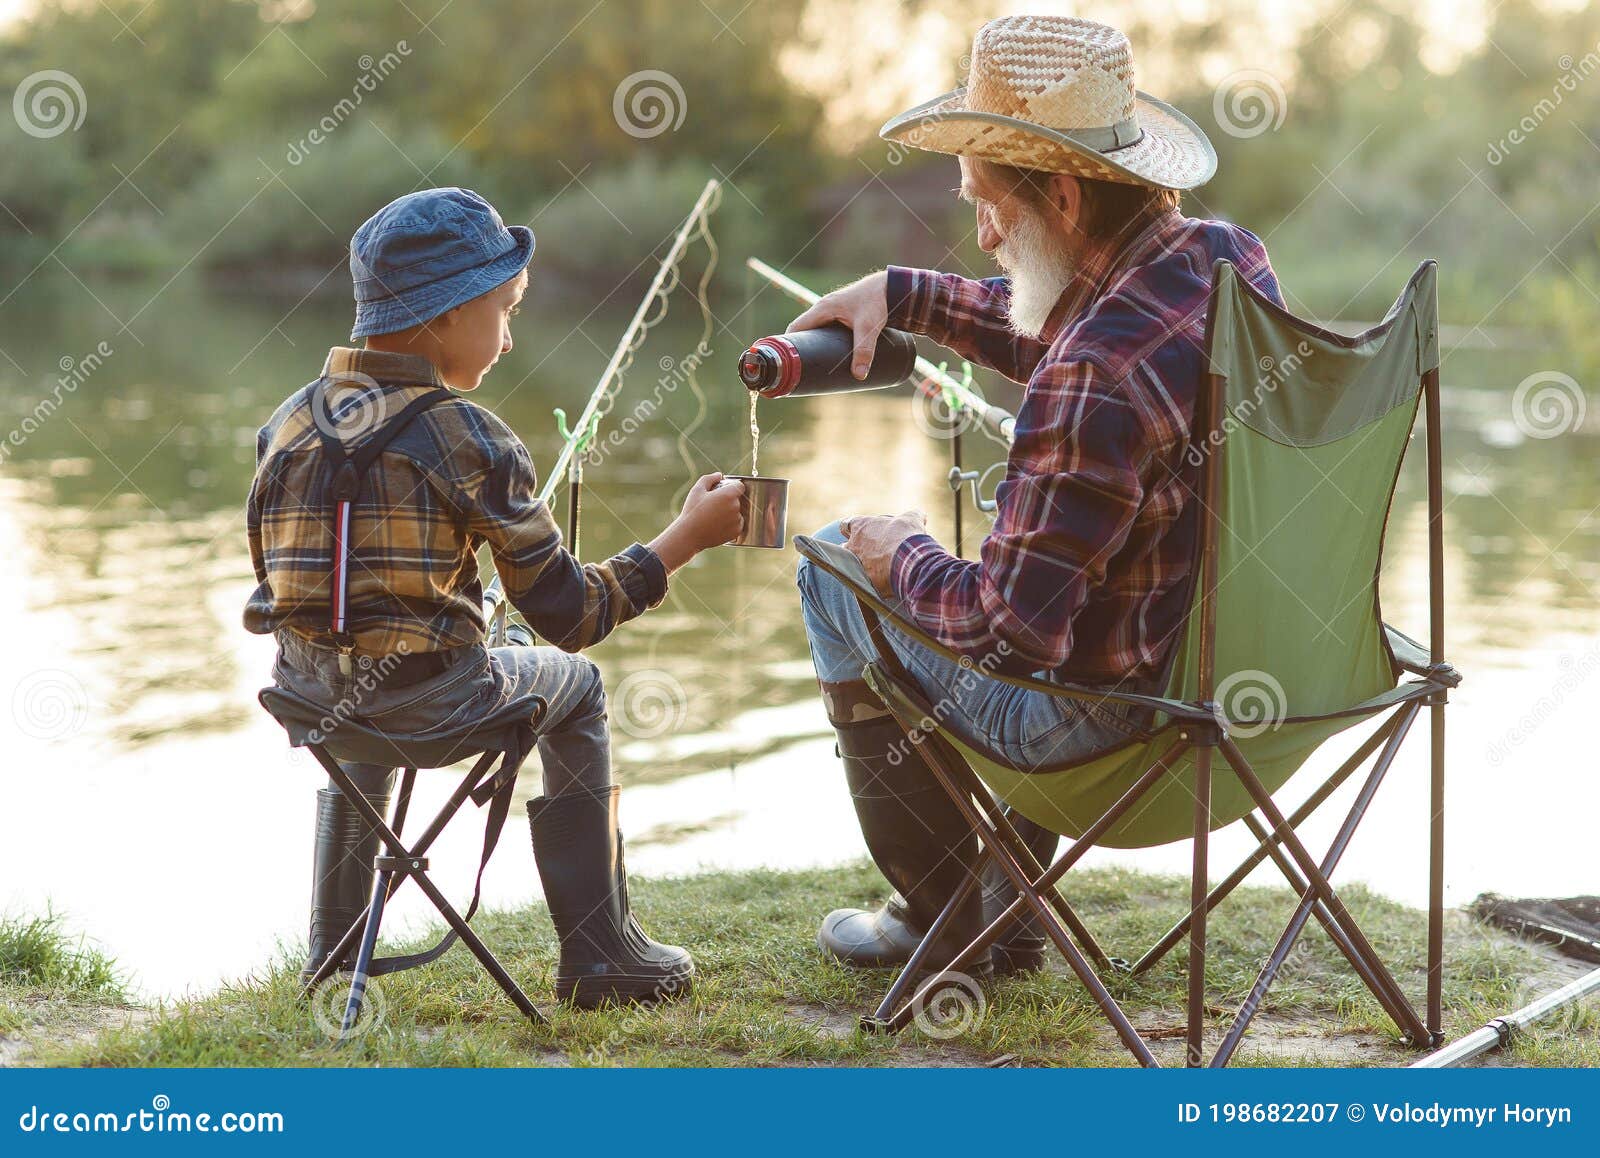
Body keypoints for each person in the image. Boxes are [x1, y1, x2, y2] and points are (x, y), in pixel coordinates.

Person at [783, 15, 1283, 976]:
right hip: (1262, 700)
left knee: (834, 571)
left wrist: (900, 556)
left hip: (1110, 736)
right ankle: (991, 906)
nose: (981, 232)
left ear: (1059, 193)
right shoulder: (1227, 263)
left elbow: (1007, 636)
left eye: (988, 204)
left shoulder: (1092, 371)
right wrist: (907, 293)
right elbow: (1077, 330)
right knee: (1065, 566)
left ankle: (954, 920)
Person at [244, 187, 744, 1008]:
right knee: (575, 687)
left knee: (361, 675)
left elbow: (300, 584)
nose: (511, 334)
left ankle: (330, 953)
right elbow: (572, 617)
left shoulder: (286, 423)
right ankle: (600, 955)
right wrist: (685, 536)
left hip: (308, 702)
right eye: (503, 309)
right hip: (432, 710)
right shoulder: (468, 436)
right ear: (444, 316)